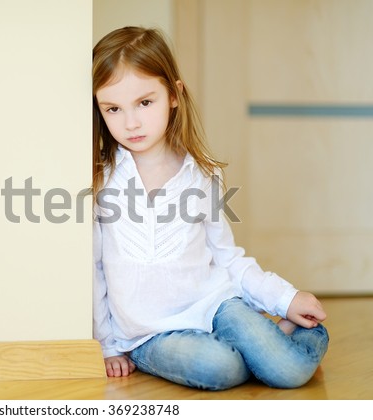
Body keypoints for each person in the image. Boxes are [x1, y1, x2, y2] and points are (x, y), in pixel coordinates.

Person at [92, 26, 329, 390]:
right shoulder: (101, 179)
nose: (131, 122)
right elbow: (95, 271)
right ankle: (264, 347)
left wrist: (285, 298)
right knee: (217, 368)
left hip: (217, 304)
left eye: (144, 102)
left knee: (290, 372)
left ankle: (284, 342)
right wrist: (108, 345)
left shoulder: (202, 172)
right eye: (113, 108)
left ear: (174, 95)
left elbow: (227, 258)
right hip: (149, 334)